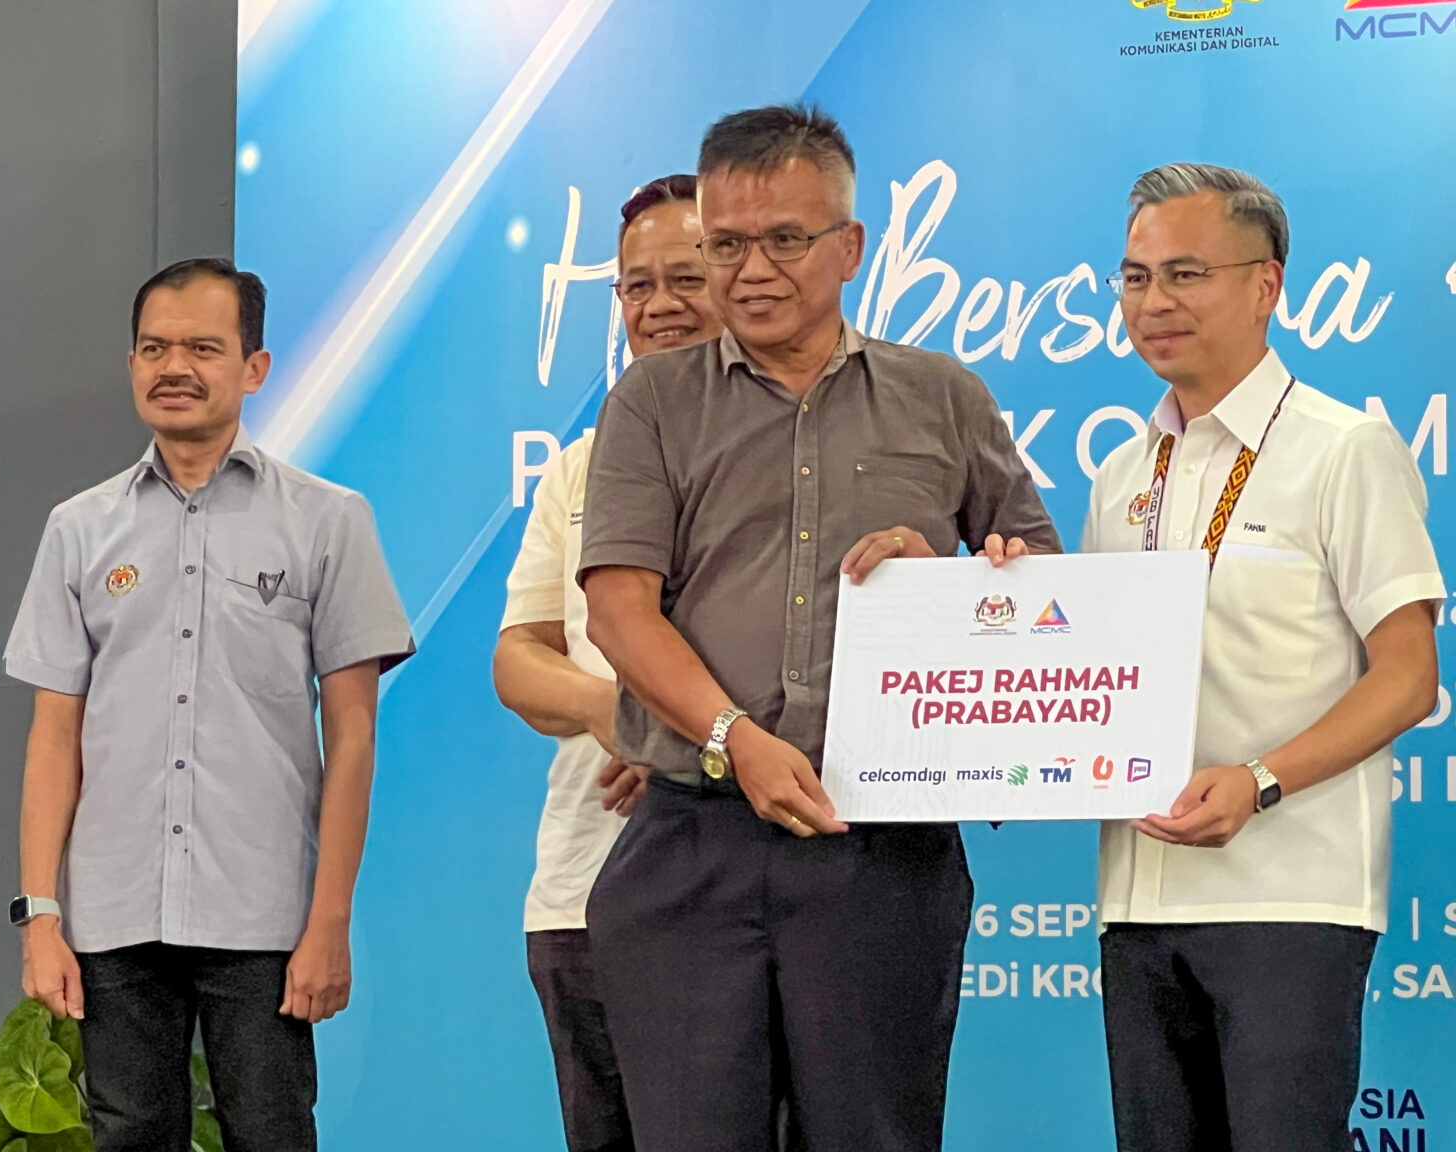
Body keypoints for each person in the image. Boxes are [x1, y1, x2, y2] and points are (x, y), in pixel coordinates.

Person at [577, 105, 1060, 1152]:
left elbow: (1039, 593)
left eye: (785, 240)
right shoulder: (653, 401)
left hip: (881, 852)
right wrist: (732, 739)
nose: (752, 271)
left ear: (850, 245)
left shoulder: (943, 397)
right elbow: (618, 605)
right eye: (726, 245)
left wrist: (951, 585)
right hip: (691, 841)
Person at [4, 258, 414, 1152]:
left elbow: (352, 738)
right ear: (131, 364)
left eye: (202, 347)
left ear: (254, 368)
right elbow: (53, 738)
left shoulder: (328, 520)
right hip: (114, 911)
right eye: (154, 348)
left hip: (264, 915)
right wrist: (41, 914)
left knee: (272, 1132)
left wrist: (329, 922)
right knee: (129, 1134)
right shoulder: (78, 529)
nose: (174, 367)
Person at [1085, 163, 1442, 1152]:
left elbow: (1409, 677)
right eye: (1135, 278)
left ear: (1265, 286)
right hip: (1135, 898)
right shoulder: (1121, 473)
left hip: (1289, 897)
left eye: (1185, 274)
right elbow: (1090, 672)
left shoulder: (1344, 449)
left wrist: (1260, 779)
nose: (1154, 302)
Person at [493, 174, 722, 1152]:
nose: (659, 305)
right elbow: (518, 659)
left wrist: (680, 734)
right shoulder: (579, 467)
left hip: (740, 893)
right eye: (637, 286)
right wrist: (611, 712)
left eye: (687, 278)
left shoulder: (795, 457)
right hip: (584, 887)